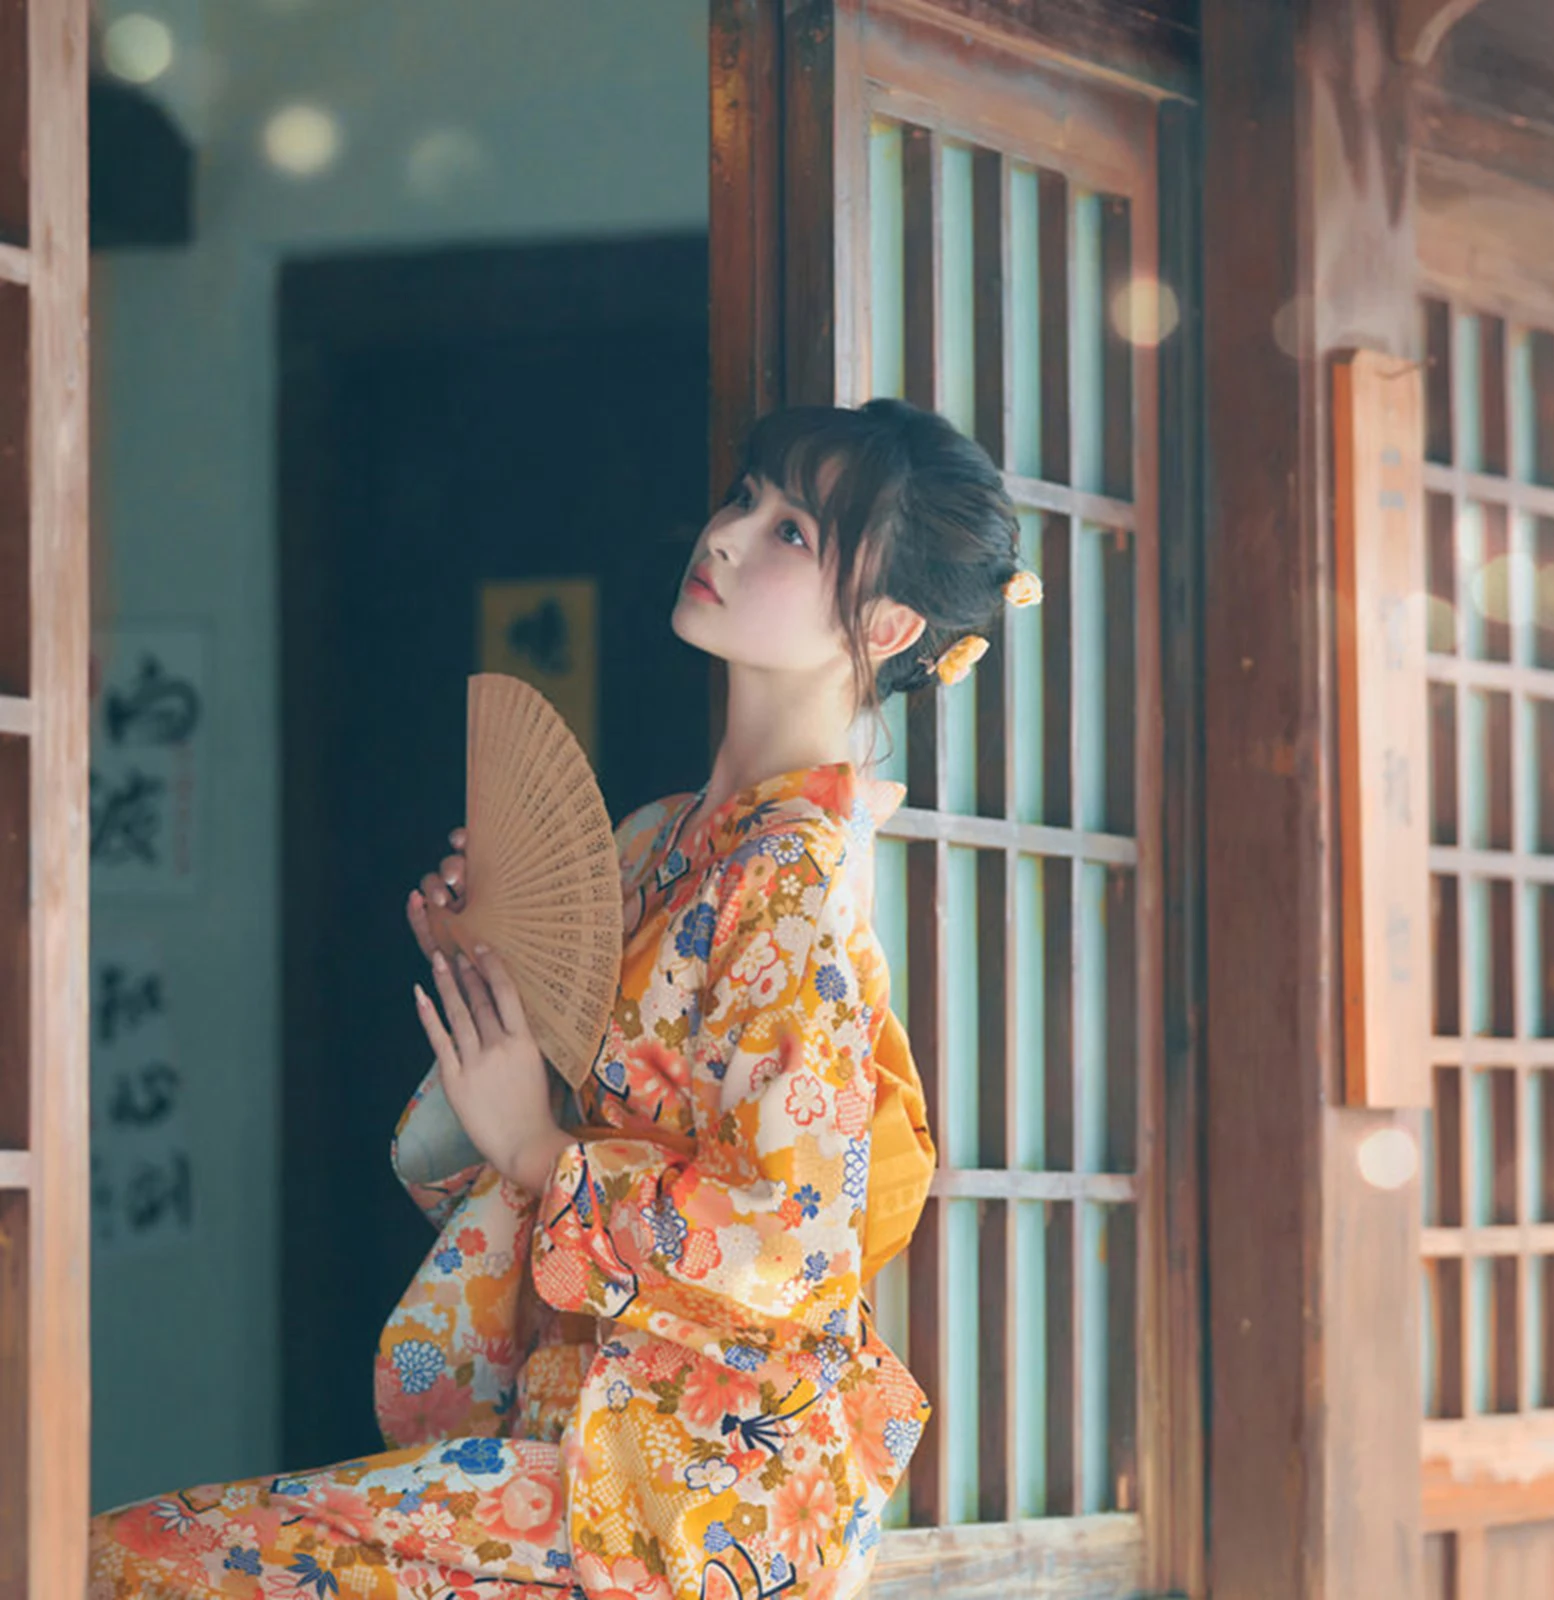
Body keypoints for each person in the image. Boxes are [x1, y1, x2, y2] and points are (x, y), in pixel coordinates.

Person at [89, 399, 1041, 1600]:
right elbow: (508, 1160)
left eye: (793, 531)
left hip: (696, 1488)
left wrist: (540, 1144)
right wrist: (488, 980)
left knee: (130, 1564)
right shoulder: (653, 841)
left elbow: (794, 1234)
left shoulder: (792, 879)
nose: (731, 533)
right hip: (578, 1438)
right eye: (746, 495)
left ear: (887, 619)